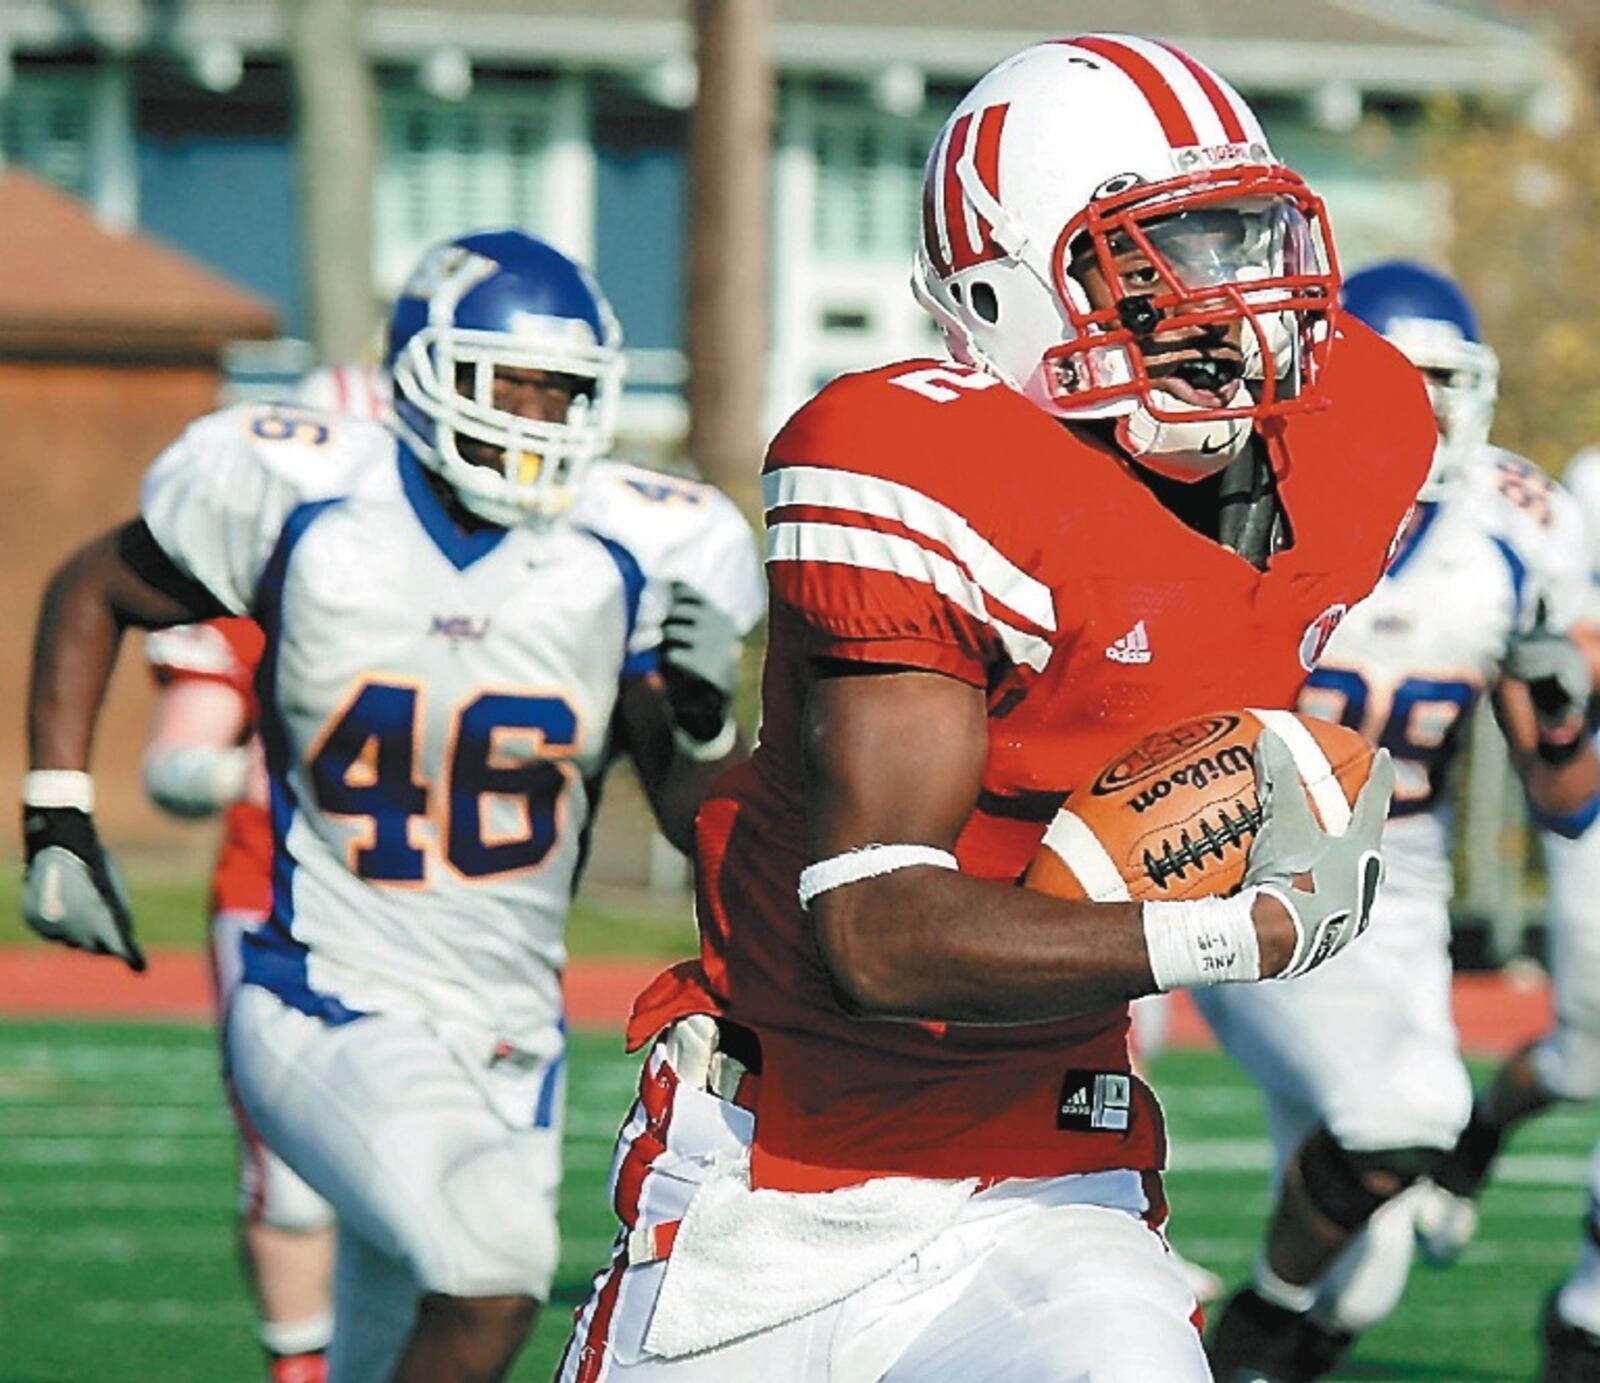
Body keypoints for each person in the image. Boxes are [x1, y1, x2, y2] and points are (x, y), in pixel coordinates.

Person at [558, 34, 1427, 1382]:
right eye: (1162, 264)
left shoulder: (1356, 425)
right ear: (1006, 290)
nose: (1235, 313)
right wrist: (1231, 930)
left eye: (1241, 243)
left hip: (1046, 1169)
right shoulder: (920, 462)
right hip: (780, 1173)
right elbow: (878, 933)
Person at [20, 228, 760, 1383]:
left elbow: (687, 813)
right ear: (423, 373)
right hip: (322, 991)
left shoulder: (628, 547)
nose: (538, 417)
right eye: (510, 382)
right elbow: (96, 582)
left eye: (564, 391)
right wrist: (56, 812)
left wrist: (707, 722)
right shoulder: (309, 499)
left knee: (395, 1336)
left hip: (509, 1024)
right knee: (494, 1270)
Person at [1197, 260, 1600, 1382]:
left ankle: (1252, 1355)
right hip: (1247, 864)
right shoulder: (1245, 495)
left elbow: (1567, 803)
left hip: (1399, 889)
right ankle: (1251, 1331)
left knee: (1366, 1270)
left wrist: (1560, 706)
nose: (1432, 410)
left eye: (1446, 382)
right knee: (1402, 1113)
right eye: (1401, 379)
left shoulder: (1514, 529)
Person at [134, 361, 396, 1383]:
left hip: (438, 919)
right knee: (291, 1180)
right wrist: (248, 768)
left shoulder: (481, 586)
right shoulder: (241, 591)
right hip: (276, 910)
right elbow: (176, 762)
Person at [1412, 440, 1600, 1380]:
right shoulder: (1589, 485)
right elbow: (1559, 649)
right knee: (1582, 1058)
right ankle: (1480, 1136)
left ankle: (1587, 1315)